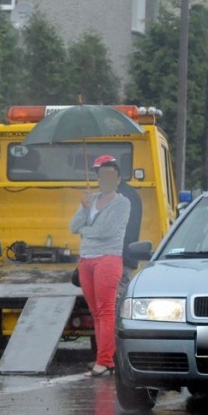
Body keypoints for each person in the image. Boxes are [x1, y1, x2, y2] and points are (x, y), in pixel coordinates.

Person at [70, 155, 130, 378]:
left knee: (106, 310)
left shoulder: (122, 203)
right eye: (100, 174)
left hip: (108, 258)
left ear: (117, 178)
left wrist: (87, 230)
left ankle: (105, 361)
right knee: (95, 311)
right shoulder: (90, 199)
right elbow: (73, 226)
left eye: (109, 175)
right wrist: (84, 208)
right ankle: (104, 358)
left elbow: (106, 231)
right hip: (86, 259)